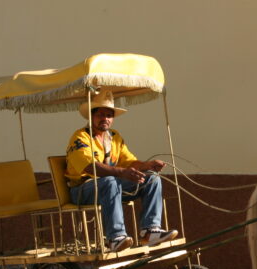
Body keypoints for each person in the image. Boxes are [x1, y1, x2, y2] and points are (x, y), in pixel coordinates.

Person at [65, 91, 178, 252]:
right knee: (111, 181)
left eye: (109, 115)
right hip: (82, 190)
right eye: (101, 114)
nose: (105, 118)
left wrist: (147, 165)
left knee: (152, 179)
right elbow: (90, 167)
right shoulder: (80, 137)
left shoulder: (114, 136)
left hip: (111, 186)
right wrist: (121, 173)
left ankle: (150, 231)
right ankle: (115, 238)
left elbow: (130, 161)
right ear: (91, 116)